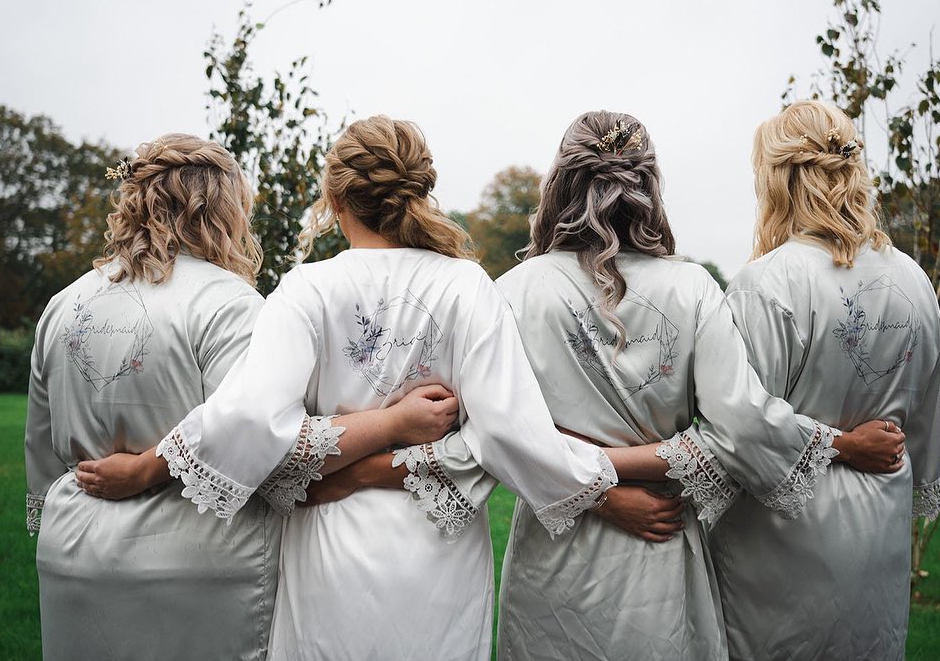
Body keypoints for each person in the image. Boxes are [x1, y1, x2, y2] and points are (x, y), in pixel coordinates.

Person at [78, 116, 617, 661]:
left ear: (334, 199)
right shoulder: (467, 286)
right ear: (419, 192)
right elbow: (509, 430)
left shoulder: (307, 288)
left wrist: (146, 469)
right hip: (438, 554)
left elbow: (248, 416)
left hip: (328, 544)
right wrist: (611, 486)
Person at [489, 111, 906, 660]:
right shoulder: (692, 289)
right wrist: (613, 489)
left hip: (554, 556)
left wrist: (588, 477)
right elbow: (735, 430)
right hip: (660, 542)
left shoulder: (513, 292)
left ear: (560, 182)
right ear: (648, 184)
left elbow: (500, 433)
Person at [25, 134, 279, 660]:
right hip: (198, 563)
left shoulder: (64, 303)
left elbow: (41, 445)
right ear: (220, 209)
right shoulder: (229, 303)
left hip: (73, 554)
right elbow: (245, 432)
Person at [706, 100, 940, 660]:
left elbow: (742, 429)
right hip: (880, 533)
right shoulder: (913, 280)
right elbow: (924, 419)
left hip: (781, 551)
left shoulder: (767, 284)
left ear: (777, 179)